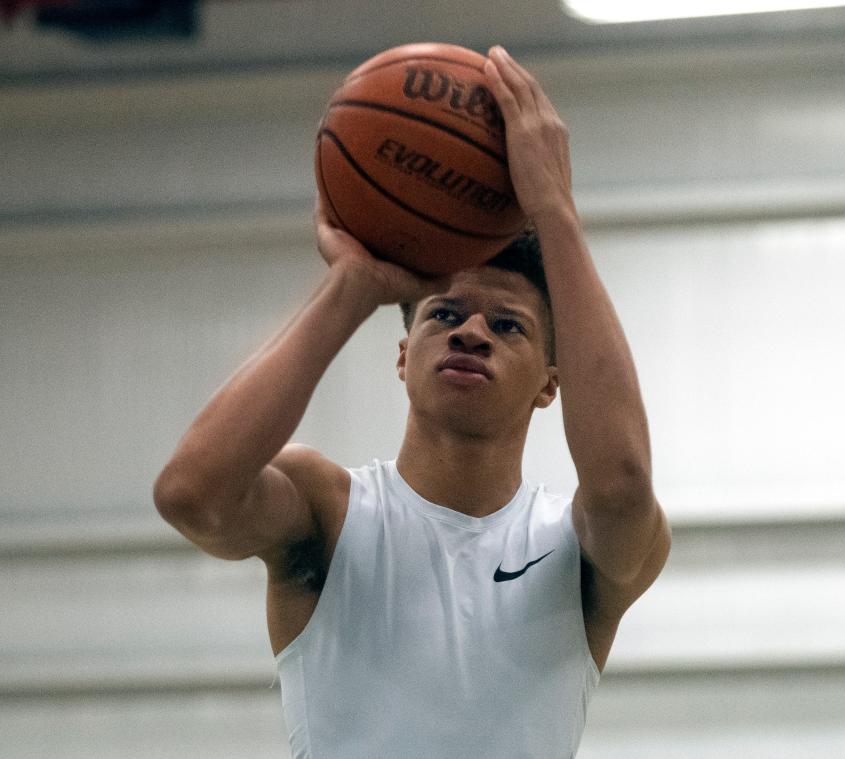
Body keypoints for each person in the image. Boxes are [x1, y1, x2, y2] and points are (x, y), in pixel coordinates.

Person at [153, 45, 671, 758]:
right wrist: (353, 287)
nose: (471, 331)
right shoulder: (326, 511)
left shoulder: (574, 544)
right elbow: (192, 493)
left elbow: (621, 484)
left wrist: (553, 207)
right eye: (443, 314)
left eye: (507, 324)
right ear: (403, 356)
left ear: (555, 381)